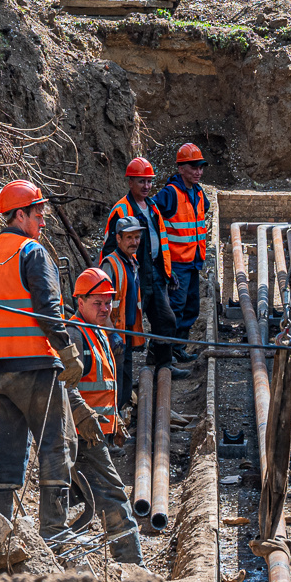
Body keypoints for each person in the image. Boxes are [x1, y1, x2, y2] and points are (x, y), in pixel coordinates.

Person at [0, 179, 84, 536]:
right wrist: (68, 351)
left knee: (8, 454)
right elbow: (49, 309)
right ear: (20, 215)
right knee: (56, 444)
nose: (43, 222)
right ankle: (54, 536)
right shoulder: (32, 253)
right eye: (38, 214)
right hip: (34, 365)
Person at [63, 267, 144, 564]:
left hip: (95, 430)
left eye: (108, 302)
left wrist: (114, 420)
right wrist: (82, 419)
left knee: (80, 498)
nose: (104, 308)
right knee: (114, 497)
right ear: (80, 302)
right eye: (97, 303)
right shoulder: (74, 333)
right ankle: (132, 566)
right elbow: (62, 386)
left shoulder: (96, 332)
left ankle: (55, 551)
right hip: (82, 435)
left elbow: (102, 386)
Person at [102, 157, 185, 381]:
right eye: (141, 182)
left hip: (155, 275)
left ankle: (163, 365)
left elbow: (160, 241)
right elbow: (110, 248)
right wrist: (109, 280)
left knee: (165, 320)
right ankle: (122, 378)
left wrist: (168, 272)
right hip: (133, 276)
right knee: (128, 323)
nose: (146, 186)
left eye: (149, 182)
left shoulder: (153, 207)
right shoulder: (121, 209)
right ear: (130, 182)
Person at [152, 143, 211, 357]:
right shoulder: (170, 193)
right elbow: (151, 214)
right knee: (175, 309)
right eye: (193, 167)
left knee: (190, 307)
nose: (198, 172)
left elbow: (204, 209)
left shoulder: (197, 192)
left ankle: (178, 348)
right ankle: (166, 353)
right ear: (181, 168)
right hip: (177, 264)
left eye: (200, 167)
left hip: (193, 261)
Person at [99, 213, 150, 407]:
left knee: (125, 378)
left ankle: (122, 416)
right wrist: (111, 333)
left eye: (137, 237)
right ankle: (114, 423)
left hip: (125, 332)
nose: (134, 242)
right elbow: (101, 302)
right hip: (113, 334)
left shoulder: (132, 262)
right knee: (115, 380)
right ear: (118, 238)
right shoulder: (110, 264)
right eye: (129, 237)